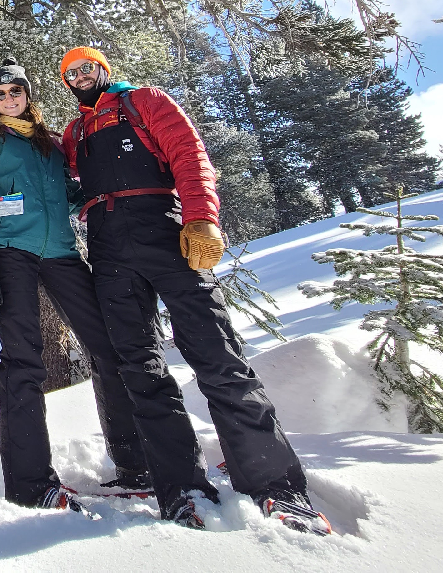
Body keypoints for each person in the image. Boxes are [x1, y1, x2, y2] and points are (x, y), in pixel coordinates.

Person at [60, 46, 329, 534]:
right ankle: (180, 485)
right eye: (69, 73)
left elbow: (189, 154)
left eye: (85, 67)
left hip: (163, 229)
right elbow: (66, 182)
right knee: (139, 365)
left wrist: (201, 218)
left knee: (216, 351)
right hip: (106, 242)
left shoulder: (144, 102)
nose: (79, 77)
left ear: (103, 69)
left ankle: (275, 485)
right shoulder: (74, 133)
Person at [0, 57, 149, 511]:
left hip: (62, 252)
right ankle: (30, 482)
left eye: (15, 91)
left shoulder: (50, 143)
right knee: (23, 359)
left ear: (28, 94)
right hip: (10, 253)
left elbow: (69, 189)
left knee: (105, 347)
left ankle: (134, 462)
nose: (8, 99)